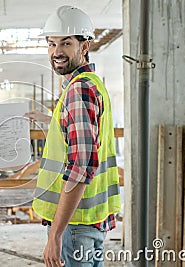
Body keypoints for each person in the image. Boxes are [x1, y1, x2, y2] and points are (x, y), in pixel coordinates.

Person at [29, 6, 121, 267]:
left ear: (84, 46)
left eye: (66, 43)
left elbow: (80, 167)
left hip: (73, 225)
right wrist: (50, 120)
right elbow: (83, 135)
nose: (56, 51)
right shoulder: (91, 83)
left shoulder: (78, 91)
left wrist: (56, 234)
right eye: (52, 43)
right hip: (89, 219)